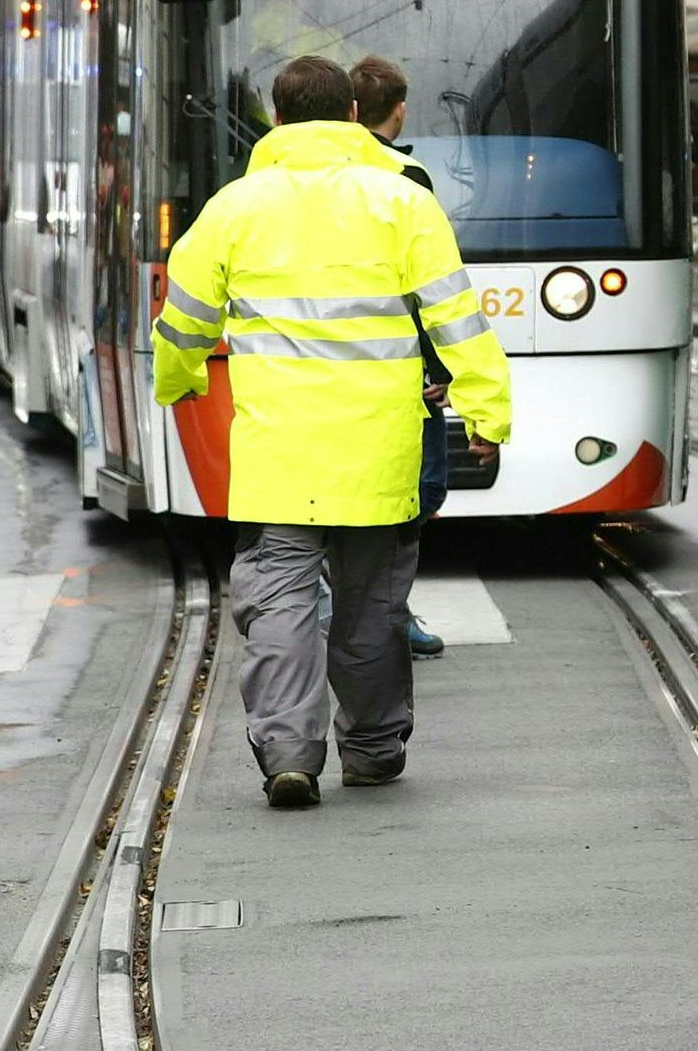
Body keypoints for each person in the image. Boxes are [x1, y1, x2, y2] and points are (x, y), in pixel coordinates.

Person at [156, 54, 510, 807]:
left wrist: (178, 380)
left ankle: (288, 752)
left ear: (276, 122)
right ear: (354, 114)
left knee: (279, 603)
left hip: (277, 456)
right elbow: (457, 319)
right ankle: (374, 749)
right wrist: (487, 414)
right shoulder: (401, 201)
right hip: (376, 453)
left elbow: (182, 317)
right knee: (372, 609)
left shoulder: (233, 207)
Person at [348, 56, 454, 666]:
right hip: (399, 364)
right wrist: (439, 369)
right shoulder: (405, 179)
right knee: (416, 490)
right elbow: (431, 287)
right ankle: (388, 610)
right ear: (401, 108)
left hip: (328, 366)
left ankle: (366, 605)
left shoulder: (299, 175)